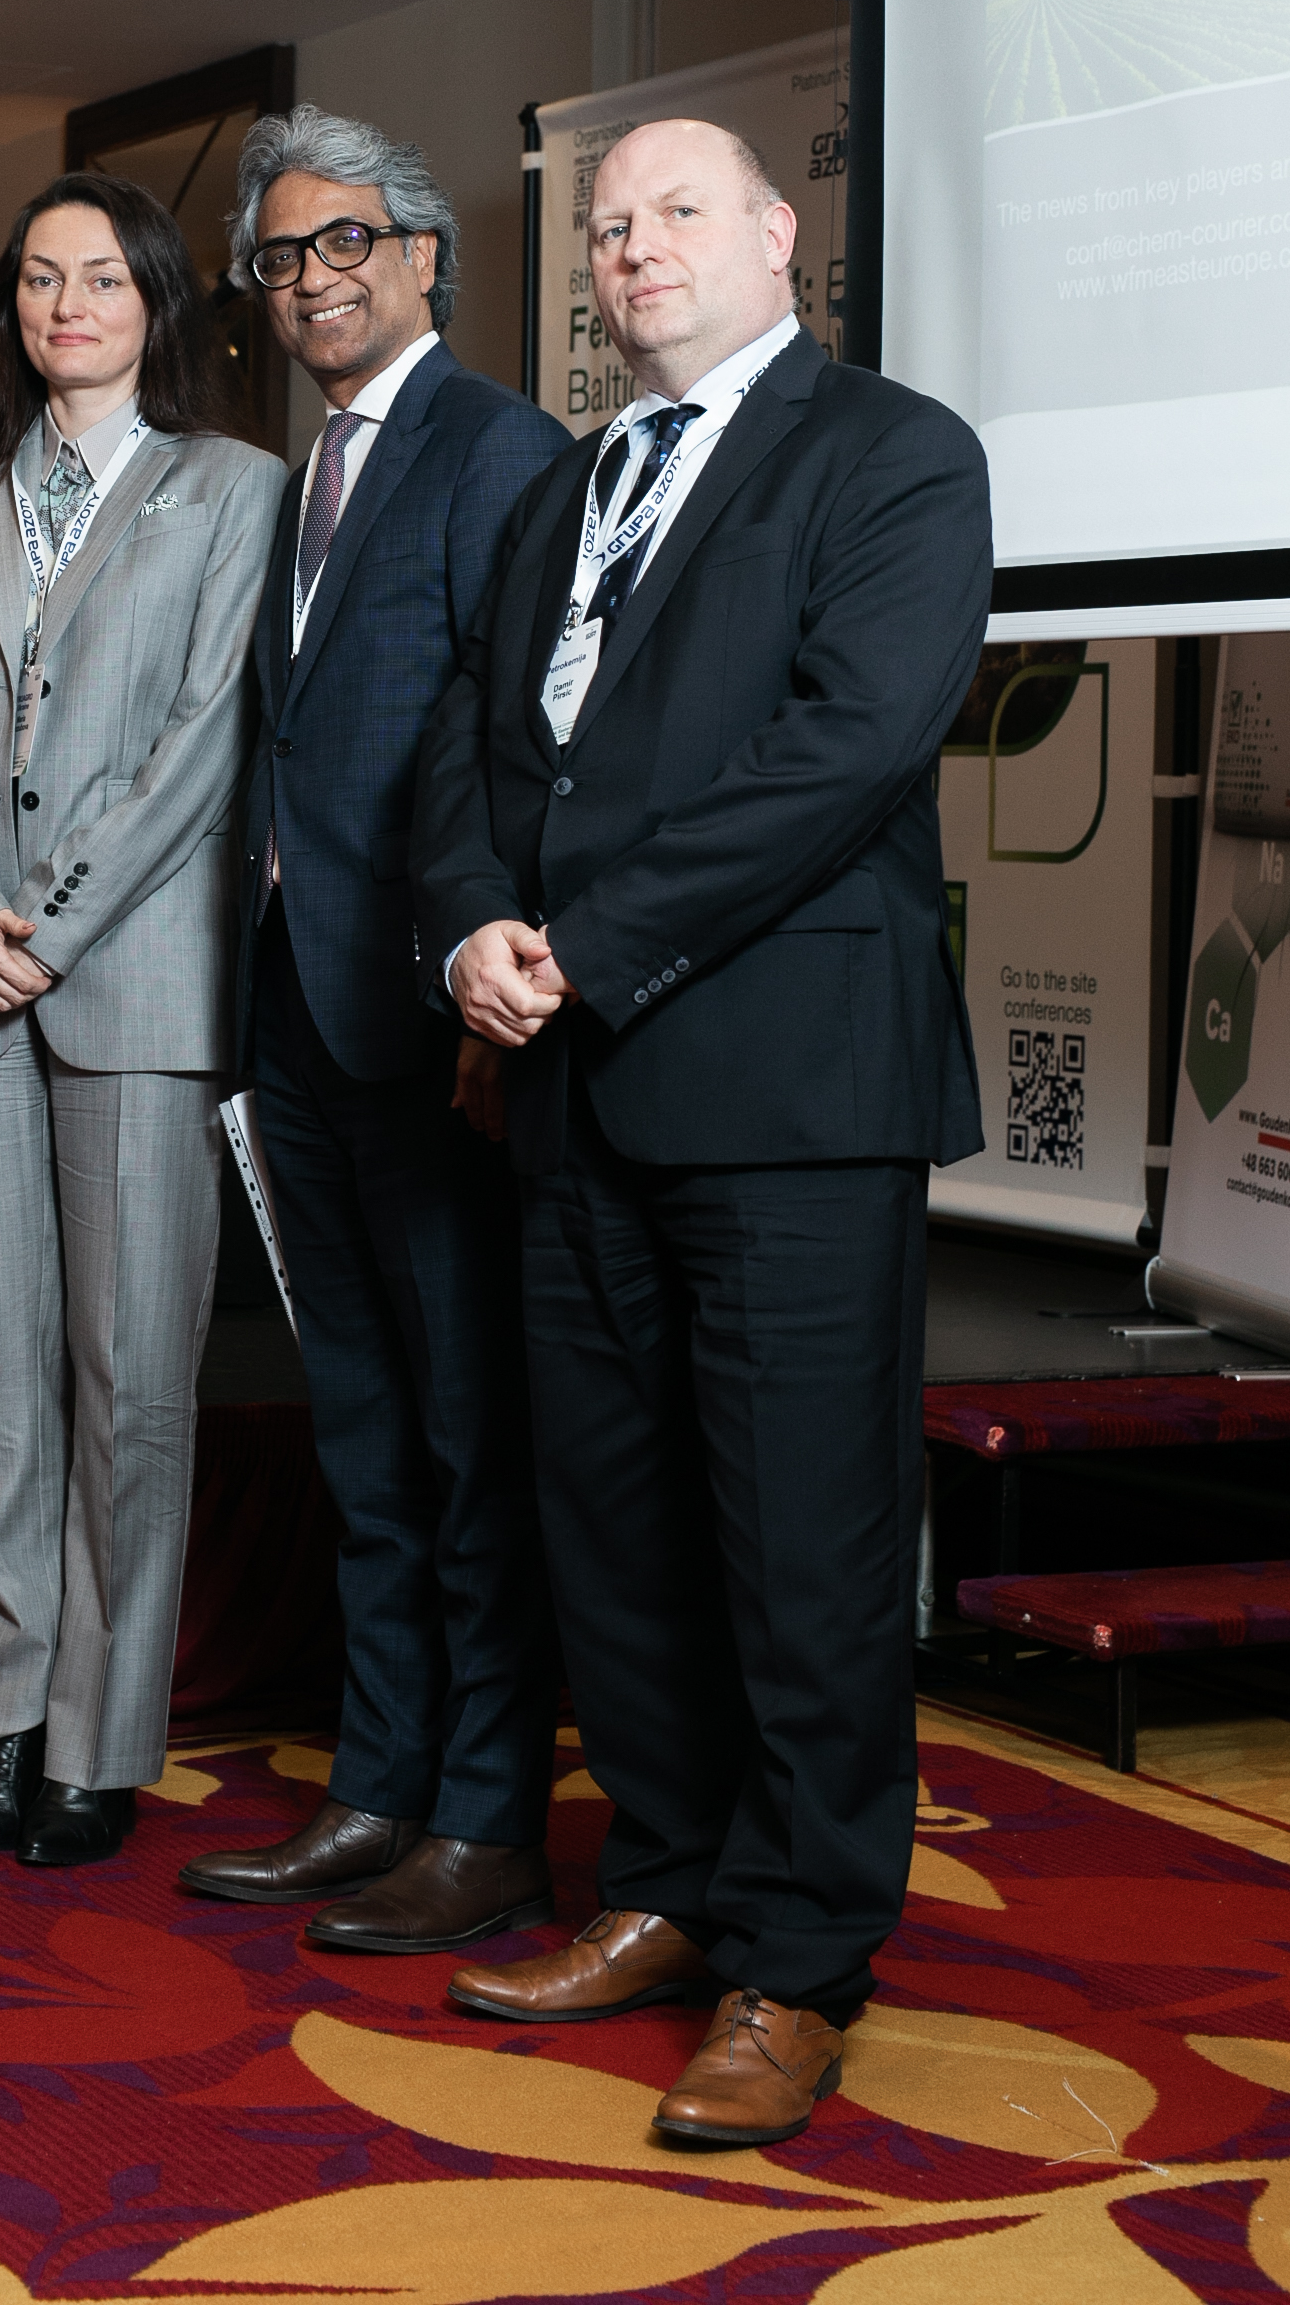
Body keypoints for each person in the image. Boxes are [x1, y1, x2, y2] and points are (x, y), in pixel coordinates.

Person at [413, 117, 990, 2149]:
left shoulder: (895, 454)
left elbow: (844, 752)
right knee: (620, 1532)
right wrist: (473, 926)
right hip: (575, 1089)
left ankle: (799, 1962)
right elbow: (481, 746)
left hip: (789, 1094)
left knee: (801, 1547)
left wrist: (583, 946)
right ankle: (663, 1889)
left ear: (776, 233)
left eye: (674, 213)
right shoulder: (567, 488)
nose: (633, 248)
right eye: (606, 226)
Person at [175, 107, 570, 1952]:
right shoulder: (295, 478)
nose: (311, 278)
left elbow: (515, 736)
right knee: (362, 1429)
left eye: (345, 242)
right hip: (290, 1014)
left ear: (423, 253)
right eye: (280, 256)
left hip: (431, 1024)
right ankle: (380, 1784)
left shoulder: (502, 449)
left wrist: (484, 992)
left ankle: (489, 1820)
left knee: (469, 1437)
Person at [0, 170, 284, 1869]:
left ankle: (98, 1747)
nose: (67, 307)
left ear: (158, 300)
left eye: (102, 277)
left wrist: (52, 920)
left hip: (137, 979)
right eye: (41, 280)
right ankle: (1, 1722)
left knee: (131, 1382)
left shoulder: (235, 488)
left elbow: (207, 739)